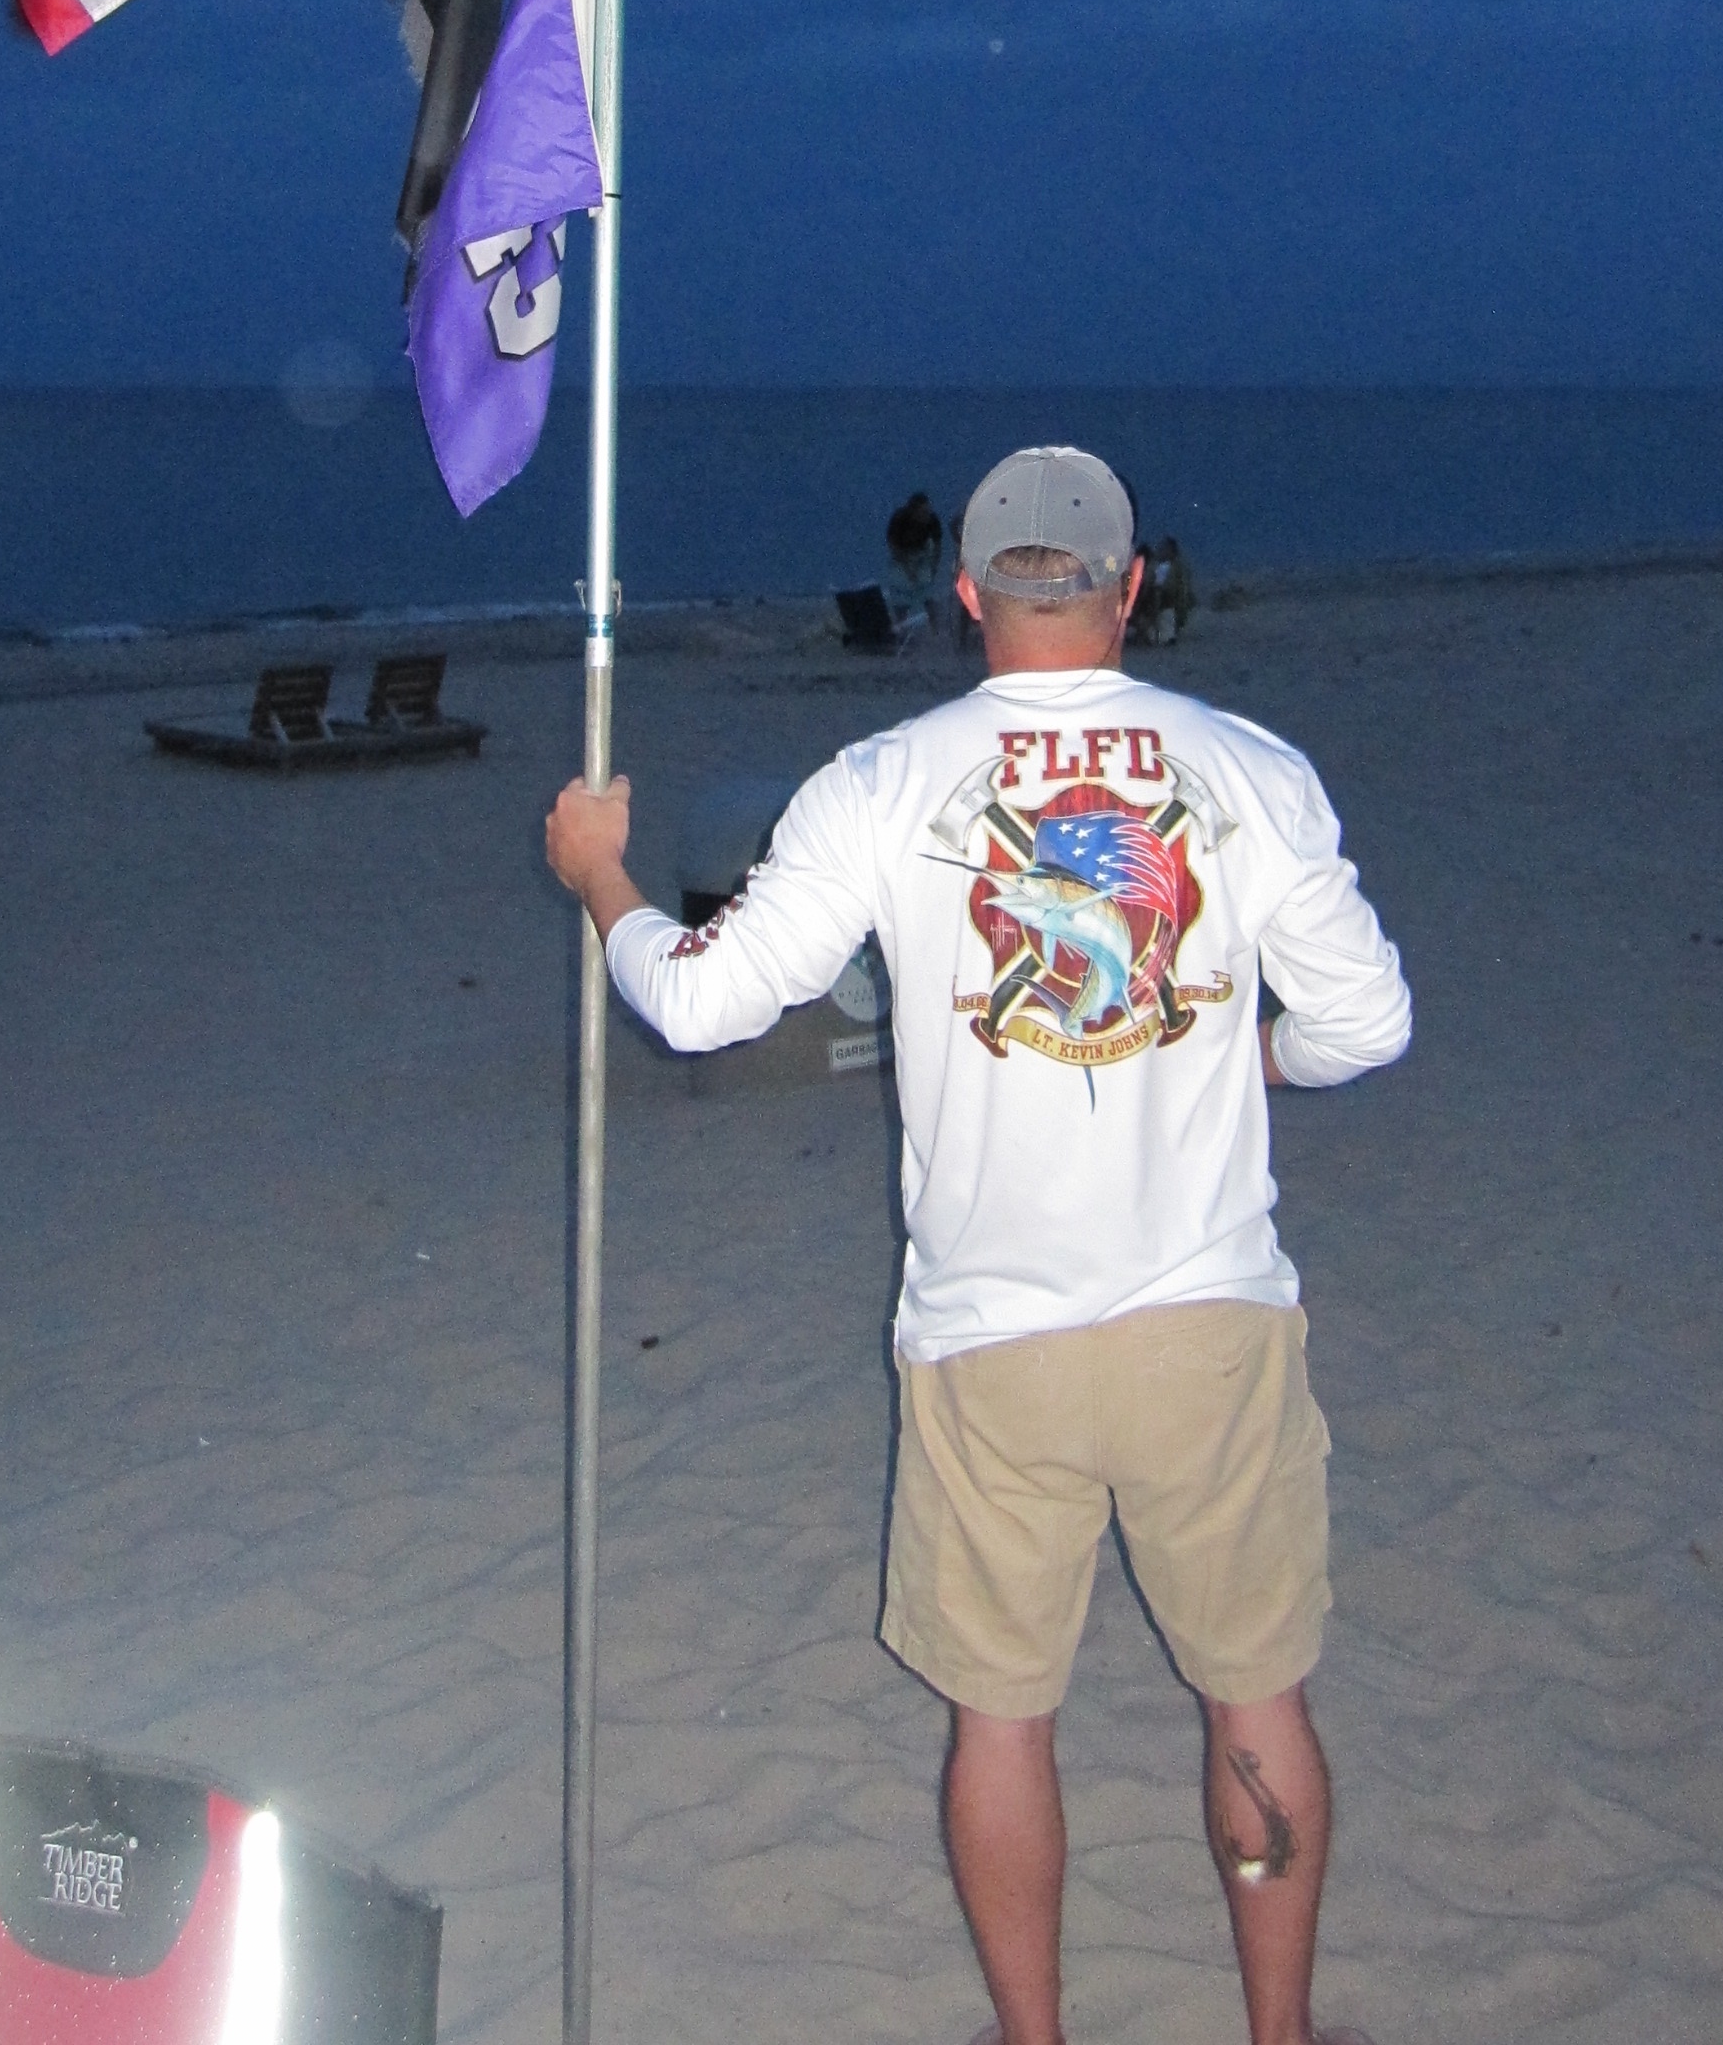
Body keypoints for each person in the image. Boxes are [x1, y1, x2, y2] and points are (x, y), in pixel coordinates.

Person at [546, 445, 1410, 2045]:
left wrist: (603, 879)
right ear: (1131, 586)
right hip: (1210, 1327)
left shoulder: (879, 783)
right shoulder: (1250, 769)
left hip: (989, 1344)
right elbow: (1367, 1022)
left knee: (1001, 1723)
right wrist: (1256, 1060)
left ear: (964, 592)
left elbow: (697, 1002)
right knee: (1256, 1692)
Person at [885, 488, 947, 620]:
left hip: (923, 555)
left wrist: (934, 567)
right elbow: (893, 546)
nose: (926, 515)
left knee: (929, 594)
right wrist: (908, 570)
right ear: (913, 511)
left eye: (927, 511)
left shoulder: (932, 519)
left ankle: (936, 624)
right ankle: (901, 625)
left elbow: (937, 545)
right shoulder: (900, 519)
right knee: (901, 595)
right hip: (902, 558)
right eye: (922, 512)